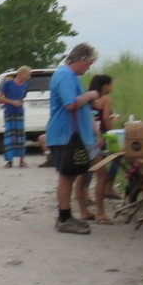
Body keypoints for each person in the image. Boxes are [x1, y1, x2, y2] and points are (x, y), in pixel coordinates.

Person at [47, 43, 100, 235]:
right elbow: (70, 104)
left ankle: (66, 215)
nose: (88, 68)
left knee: (69, 176)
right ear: (82, 59)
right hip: (65, 135)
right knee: (66, 176)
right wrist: (90, 94)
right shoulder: (64, 75)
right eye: (89, 64)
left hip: (70, 135)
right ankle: (64, 217)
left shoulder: (70, 76)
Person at [87, 74, 117, 224]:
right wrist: (111, 132)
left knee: (85, 172)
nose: (113, 87)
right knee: (106, 168)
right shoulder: (105, 98)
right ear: (105, 86)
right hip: (99, 135)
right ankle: (108, 188)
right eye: (111, 84)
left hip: (87, 136)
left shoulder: (90, 99)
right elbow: (104, 118)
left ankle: (85, 200)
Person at [0, 66, 31, 168]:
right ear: (21, 74)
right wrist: (12, 102)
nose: (28, 77)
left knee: (20, 136)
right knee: (9, 137)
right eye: (27, 75)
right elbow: (0, 97)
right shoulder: (8, 83)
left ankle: (22, 160)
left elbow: (22, 97)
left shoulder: (25, 85)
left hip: (19, 113)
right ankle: (9, 161)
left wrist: (19, 103)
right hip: (9, 113)